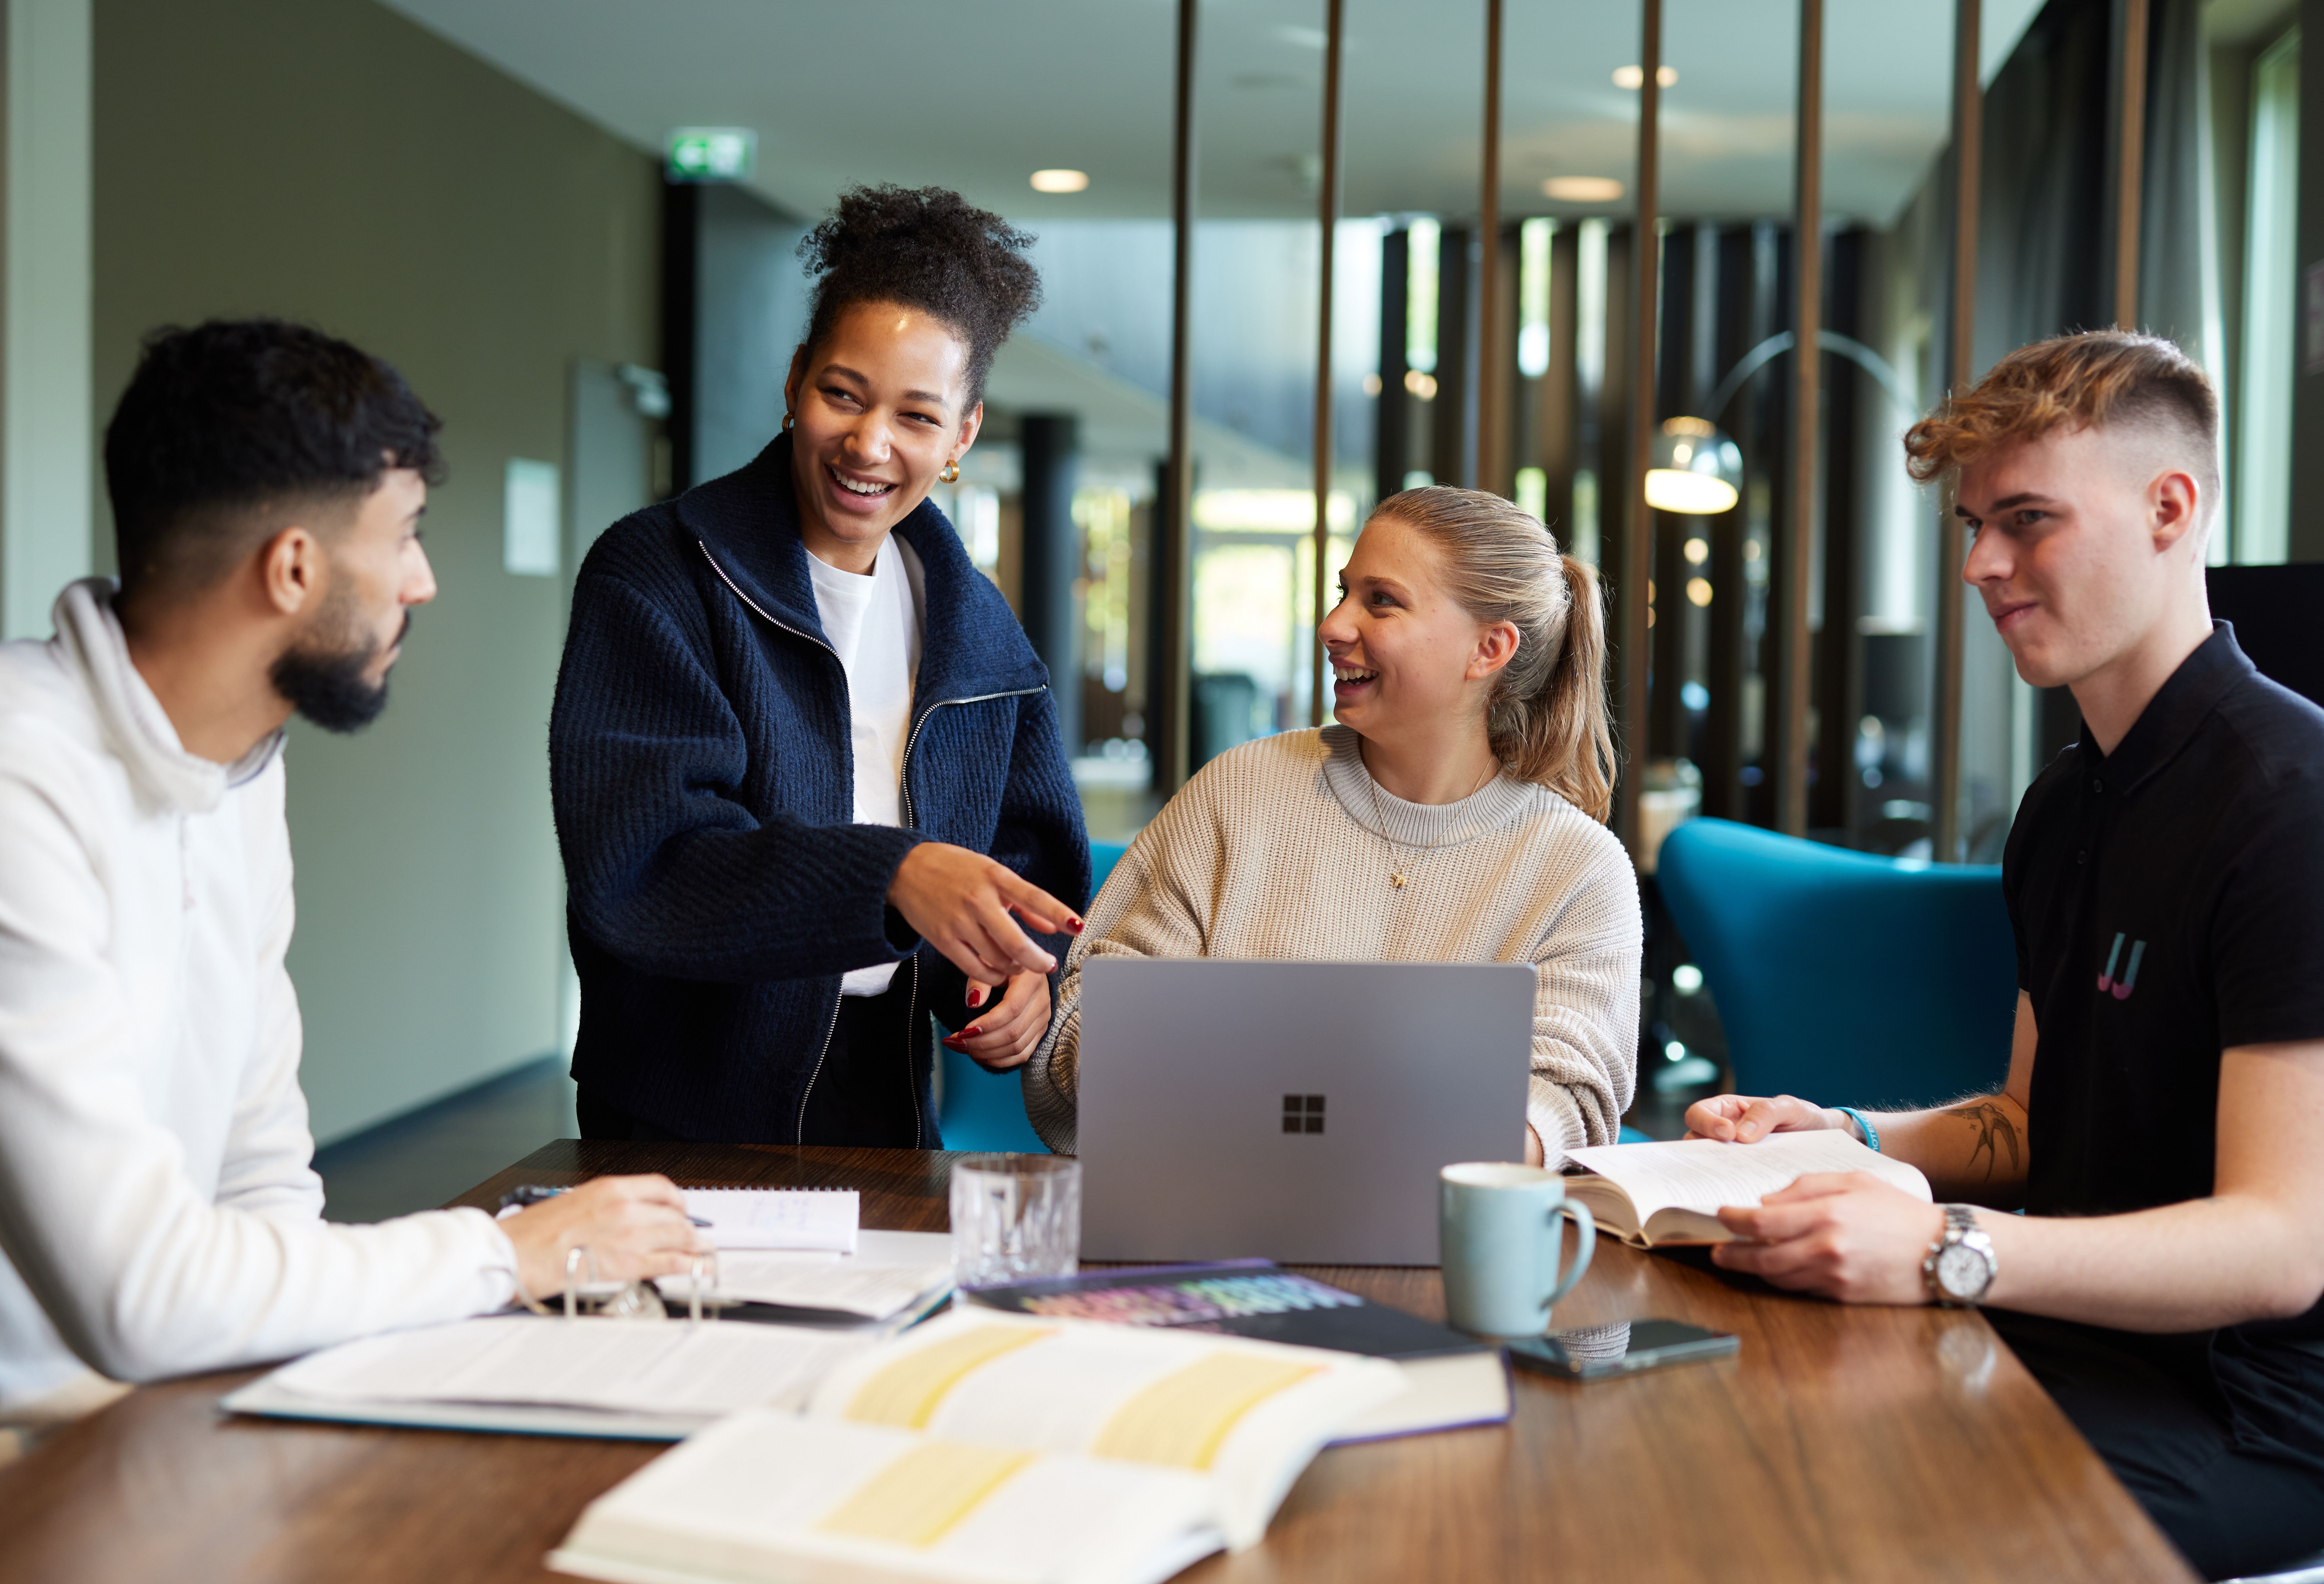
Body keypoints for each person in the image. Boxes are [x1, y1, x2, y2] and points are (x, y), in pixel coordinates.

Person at [0, 320, 706, 1441]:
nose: (425, 581)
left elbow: (262, 1179)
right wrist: (504, 1254)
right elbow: (137, 1294)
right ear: (294, 566)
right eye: (403, 536)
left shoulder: (241, 764)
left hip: (149, 1416)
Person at [1683, 331, 2324, 1579]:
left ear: (2167, 509)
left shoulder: (2289, 806)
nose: (1980, 565)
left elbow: (2278, 1246)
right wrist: (1844, 1132)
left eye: (2024, 520)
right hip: (2057, 1332)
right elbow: (2032, 1126)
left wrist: (1936, 1249)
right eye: (1973, 525)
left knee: (1843, 1539)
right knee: (1728, 1421)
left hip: (2245, 1415)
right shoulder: (2063, 807)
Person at [551, 186, 1088, 1147]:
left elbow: (1024, 867)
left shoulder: (977, 629)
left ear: (962, 435)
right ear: (796, 380)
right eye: (843, 393)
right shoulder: (662, 573)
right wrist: (894, 873)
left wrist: (1020, 972)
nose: (870, 443)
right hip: (683, 1117)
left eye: (918, 416)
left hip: (885, 1102)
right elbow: (645, 861)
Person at [1023, 486, 1639, 1160]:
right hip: (1208, 1198)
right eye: (1344, 592)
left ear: (1488, 648)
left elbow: (1568, 1093)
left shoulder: (1579, 868)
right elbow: (1095, 1008)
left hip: (1443, 1224)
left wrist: (1408, 1153)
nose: (1333, 624)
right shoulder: (1239, 791)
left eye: (1381, 600)